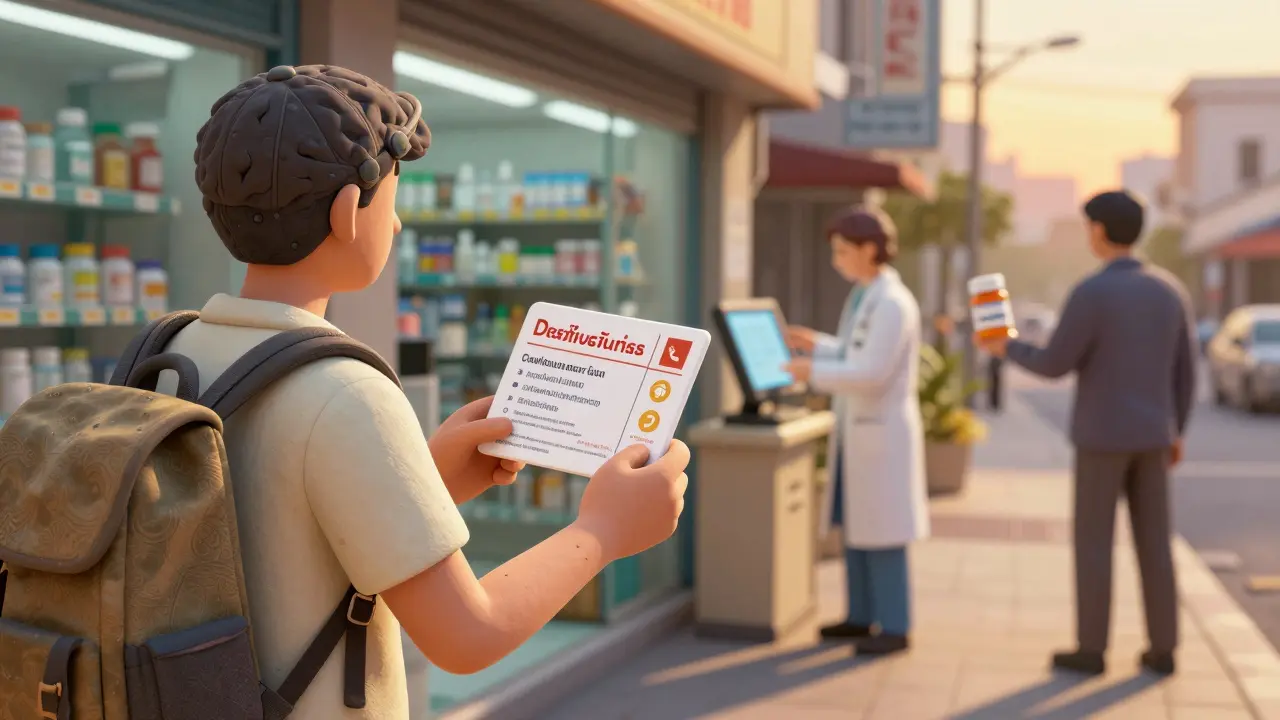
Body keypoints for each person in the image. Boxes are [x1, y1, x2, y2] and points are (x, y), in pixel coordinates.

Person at [174, 65, 690, 717]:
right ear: (347, 213)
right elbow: (467, 635)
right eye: (392, 201)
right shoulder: (344, 391)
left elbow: (275, 527)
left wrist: (426, 478)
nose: (394, 228)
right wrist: (604, 529)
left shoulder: (172, 352)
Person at [977, 190, 1195, 677]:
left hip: (1102, 438)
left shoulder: (1091, 293)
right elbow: (1186, 372)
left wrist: (1005, 347)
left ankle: (1092, 649)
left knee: (1095, 543)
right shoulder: (1170, 291)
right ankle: (1164, 649)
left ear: (1098, 230)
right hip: (1155, 436)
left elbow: (1054, 364)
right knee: (1156, 544)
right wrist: (1176, 428)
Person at [783, 205, 930, 655]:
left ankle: (895, 626)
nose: (837, 261)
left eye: (843, 251)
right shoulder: (866, 295)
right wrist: (820, 345)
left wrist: (811, 371)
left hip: (881, 435)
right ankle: (861, 616)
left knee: (882, 535)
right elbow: (853, 350)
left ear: (870, 250)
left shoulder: (891, 302)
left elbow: (871, 371)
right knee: (857, 529)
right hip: (860, 432)